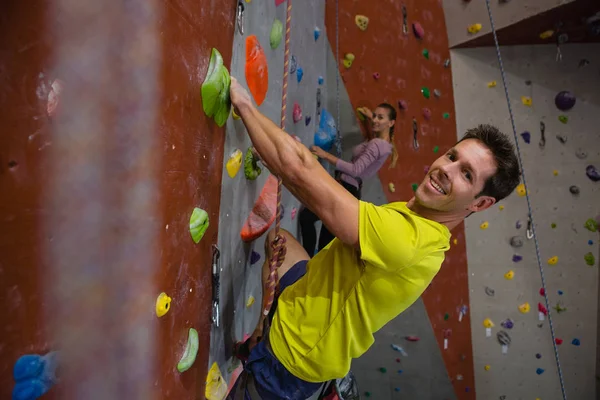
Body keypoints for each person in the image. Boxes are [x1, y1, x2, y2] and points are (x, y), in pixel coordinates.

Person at [227, 77, 521, 400]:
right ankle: (261, 327)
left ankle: (266, 349)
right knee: (280, 241)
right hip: (314, 302)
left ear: (480, 204)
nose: (446, 170)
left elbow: (298, 170)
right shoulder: (424, 221)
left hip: (293, 359)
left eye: (467, 175)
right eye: (452, 157)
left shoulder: (407, 240)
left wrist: (244, 106)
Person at [299, 103, 398, 256]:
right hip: (350, 192)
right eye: (375, 116)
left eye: (380, 117)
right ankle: (309, 264)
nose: (375, 120)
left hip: (346, 187)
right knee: (324, 238)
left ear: (391, 123)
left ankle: (305, 262)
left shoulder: (376, 144)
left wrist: (325, 155)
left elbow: (355, 169)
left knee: (308, 219)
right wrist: (370, 117)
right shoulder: (385, 145)